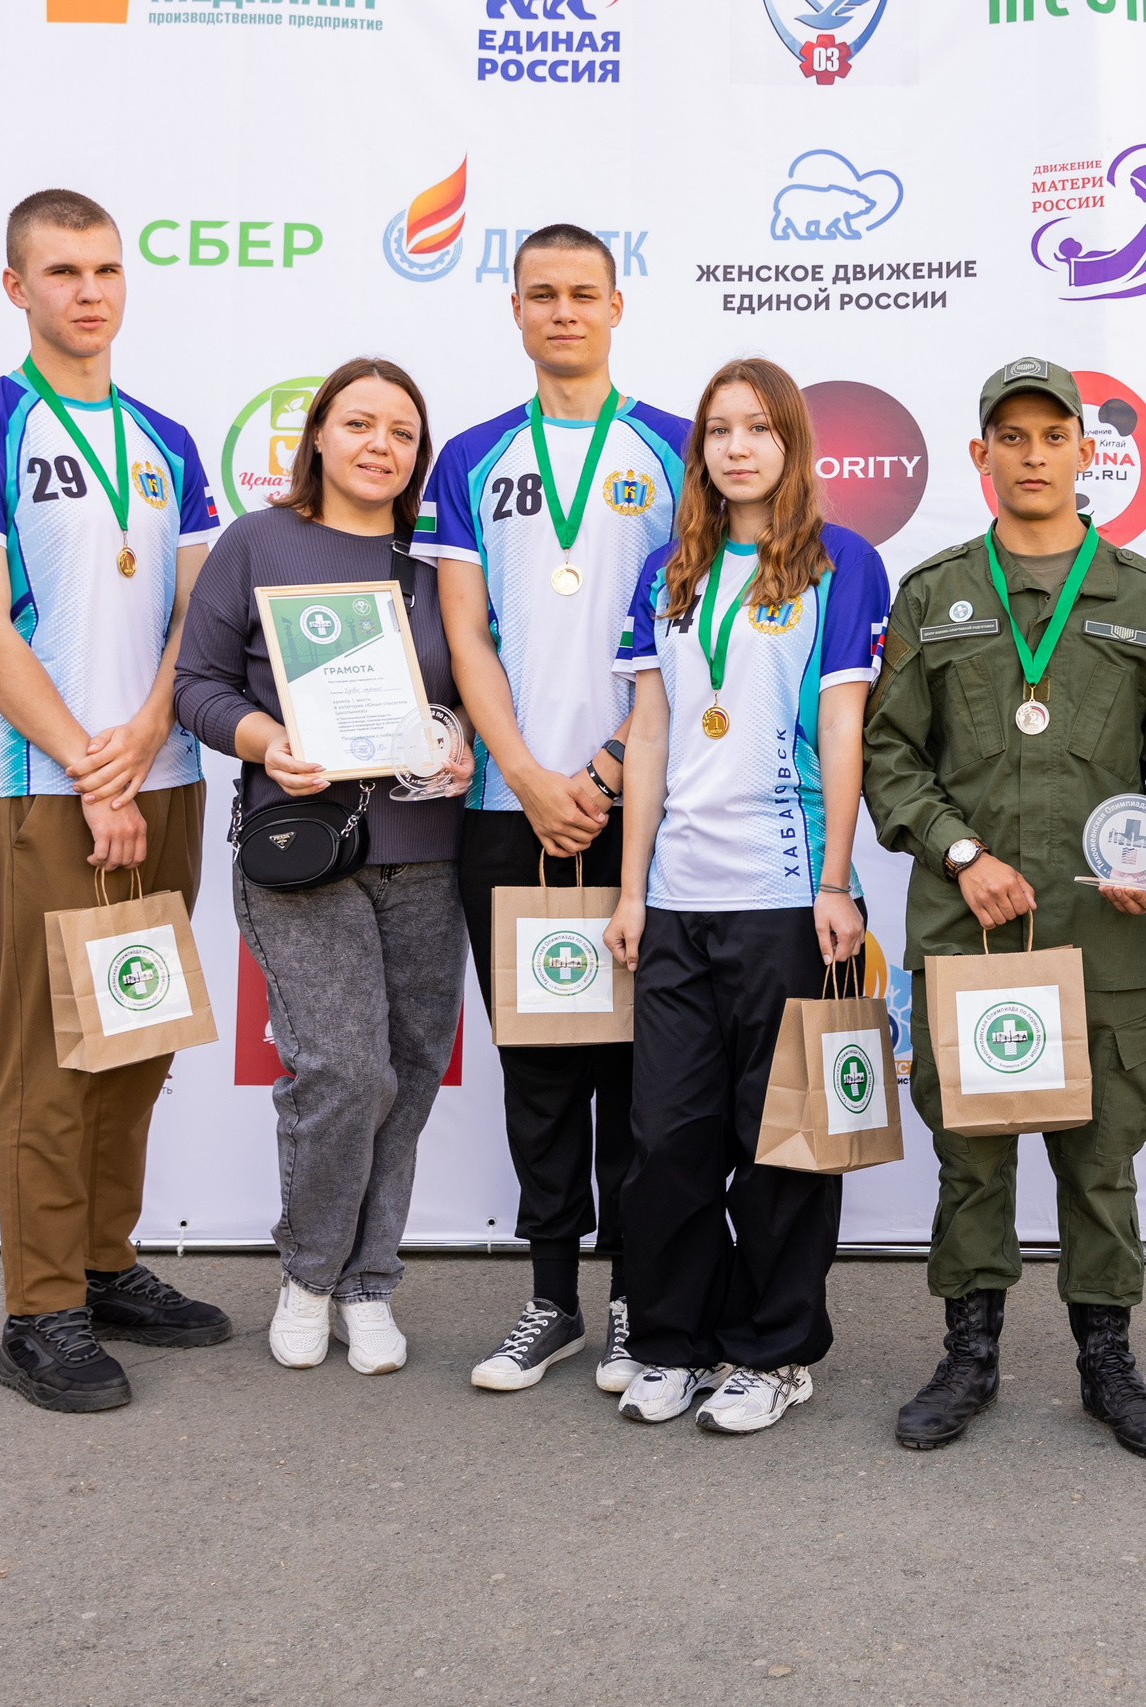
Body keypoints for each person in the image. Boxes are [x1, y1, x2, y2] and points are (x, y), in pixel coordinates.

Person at [866, 357, 1146, 1458]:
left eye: (1053, 435)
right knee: (971, 1156)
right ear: (980, 455)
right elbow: (891, 758)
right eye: (1012, 437)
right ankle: (968, 1354)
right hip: (969, 926)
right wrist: (960, 852)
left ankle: (1106, 1361)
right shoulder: (933, 593)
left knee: (1102, 1156)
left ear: (1086, 451)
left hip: (1102, 934)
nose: (1033, 456)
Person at [0, 188, 230, 1414]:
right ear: (17, 287)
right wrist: (89, 768)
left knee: (139, 1041)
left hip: (168, 780)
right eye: (61, 271)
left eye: (104, 269)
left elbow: (197, 613)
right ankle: (38, 1309)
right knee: (53, 1055)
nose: (88, 291)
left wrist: (147, 736)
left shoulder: (168, 439)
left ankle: (105, 1264)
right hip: (46, 792)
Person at [417, 225, 689, 1395]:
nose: (563, 311)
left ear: (617, 306)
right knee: (537, 1071)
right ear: (516, 310)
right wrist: (528, 775)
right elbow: (464, 633)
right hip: (507, 806)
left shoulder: (679, 448)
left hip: (644, 810)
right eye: (542, 294)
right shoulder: (471, 457)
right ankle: (548, 1303)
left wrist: (612, 771)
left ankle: (632, 1304)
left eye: (584, 293)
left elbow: (692, 632)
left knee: (637, 1071)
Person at [603, 358, 890, 1434]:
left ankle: (773, 1352)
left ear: (791, 444)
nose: (736, 447)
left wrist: (835, 880)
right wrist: (631, 891)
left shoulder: (841, 564)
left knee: (784, 1145)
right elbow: (649, 734)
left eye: (758, 428)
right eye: (719, 429)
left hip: (787, 895)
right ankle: (673, 1341)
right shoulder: (666, 572)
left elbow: (844, 729)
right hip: (678, 899)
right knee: (668, 1140)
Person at [174, 357, 472, 1378]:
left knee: (411, 1074)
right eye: (358, 423)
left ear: (418, 455)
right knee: (344, 1070)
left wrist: (461, 736)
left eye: (402, 431)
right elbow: (198, 684)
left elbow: (482, 681)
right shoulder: (257, 542)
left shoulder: (438, 559)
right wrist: (266, 740)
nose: (380, 444)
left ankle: (369, 1284)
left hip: (427, 853)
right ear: (317, 436)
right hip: (302, 851)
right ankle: (308, 1275)